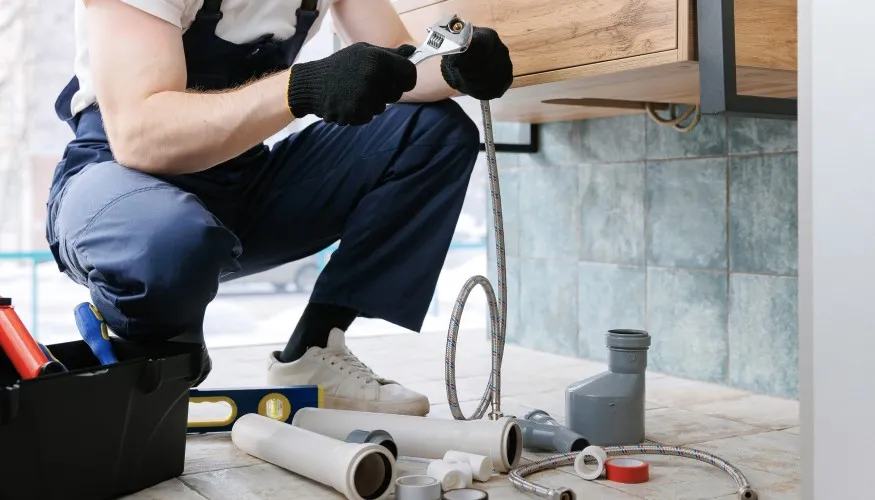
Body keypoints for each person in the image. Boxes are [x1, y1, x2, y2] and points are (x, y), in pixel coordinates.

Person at [45, 0, 513, 417]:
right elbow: (141, 135)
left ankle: (315, 350)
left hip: (242, 184)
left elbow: (398, 58)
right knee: (167, 241)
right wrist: (301, 87)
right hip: (119, 186)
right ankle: (146, 362)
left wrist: (454, 66)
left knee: (431, 131)